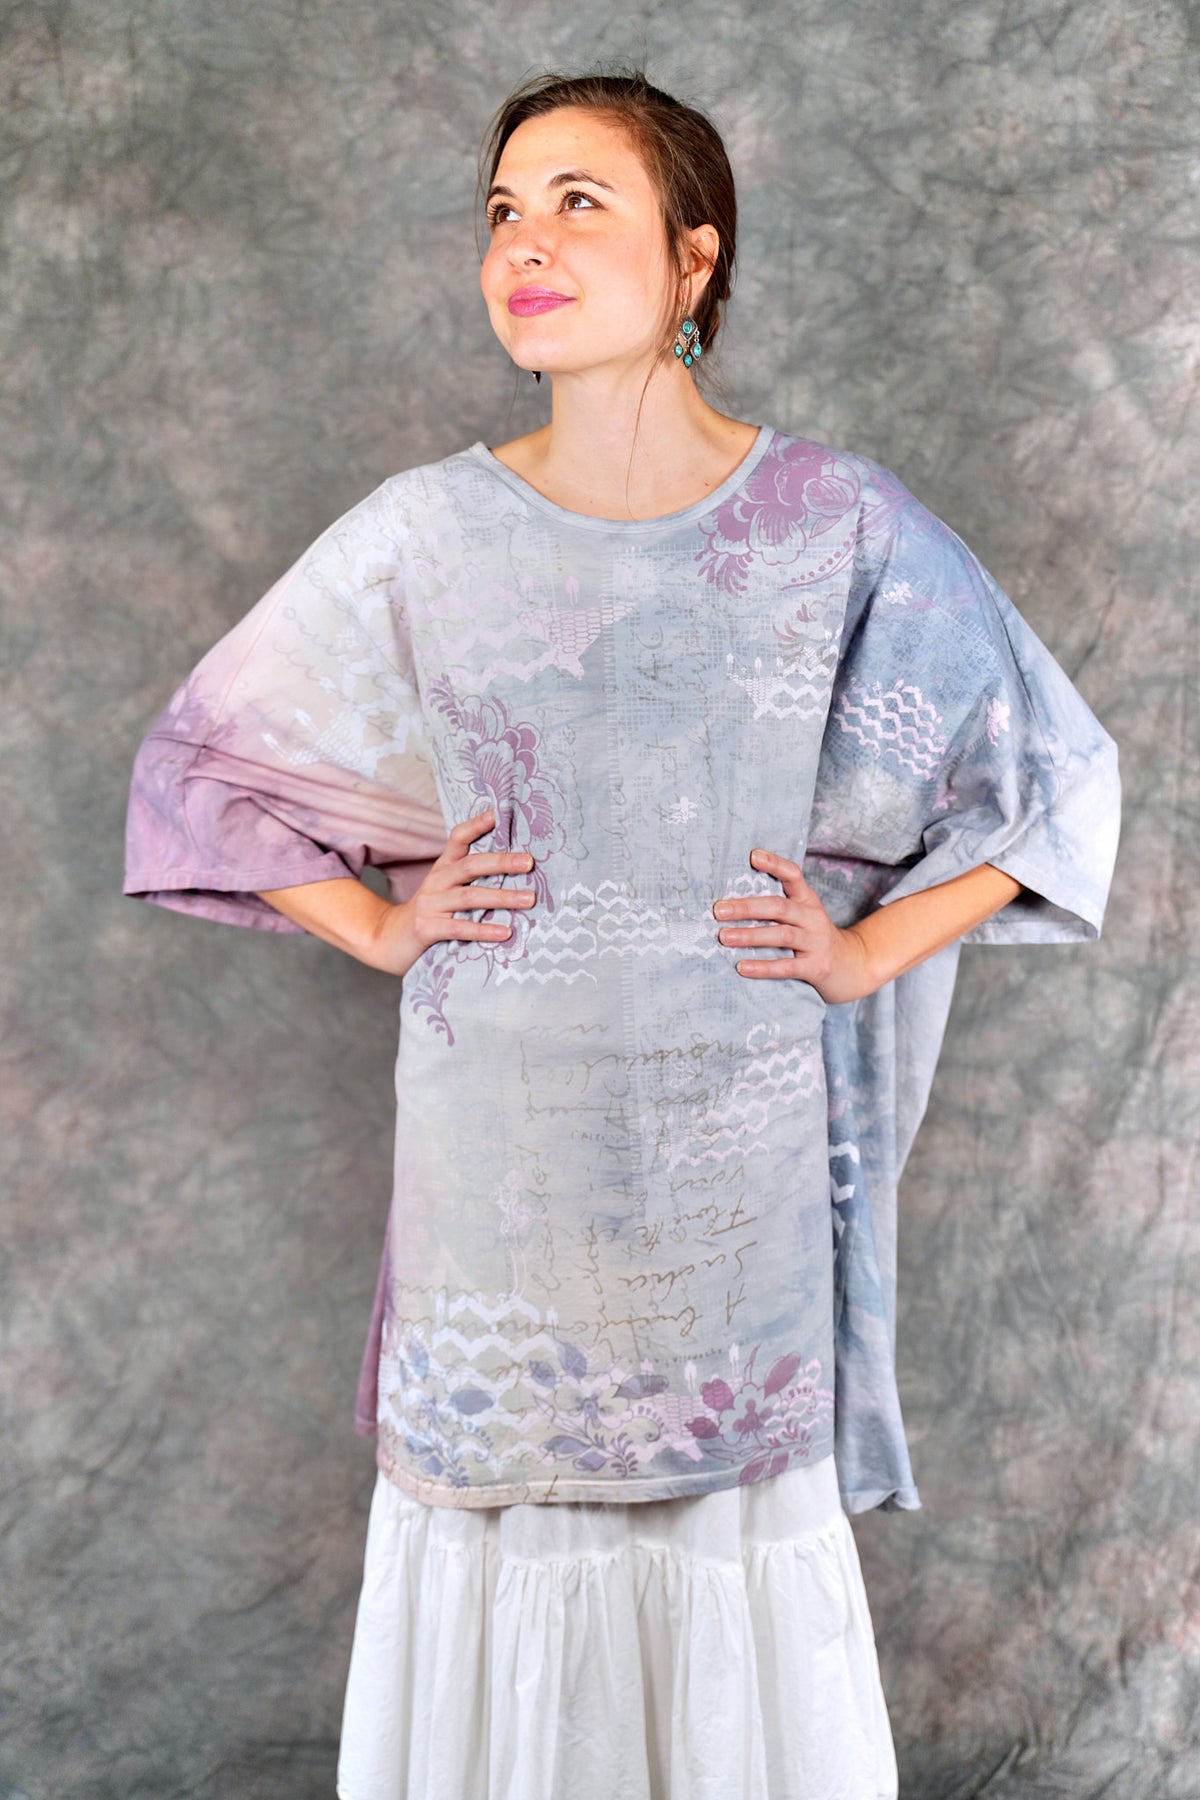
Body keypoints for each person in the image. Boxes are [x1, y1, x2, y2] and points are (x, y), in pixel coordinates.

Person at [121, 65, 1121, 1800]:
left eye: (579, 201)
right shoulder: (427, 532)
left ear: (693, 259)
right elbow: (203, 769)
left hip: (731, 1197)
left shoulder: (830, 524)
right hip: (496, 1193)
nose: (524, 242)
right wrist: (383, 928)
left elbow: (1046, 777)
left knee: (722, 1575)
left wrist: (864, 955)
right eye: (503, 211)